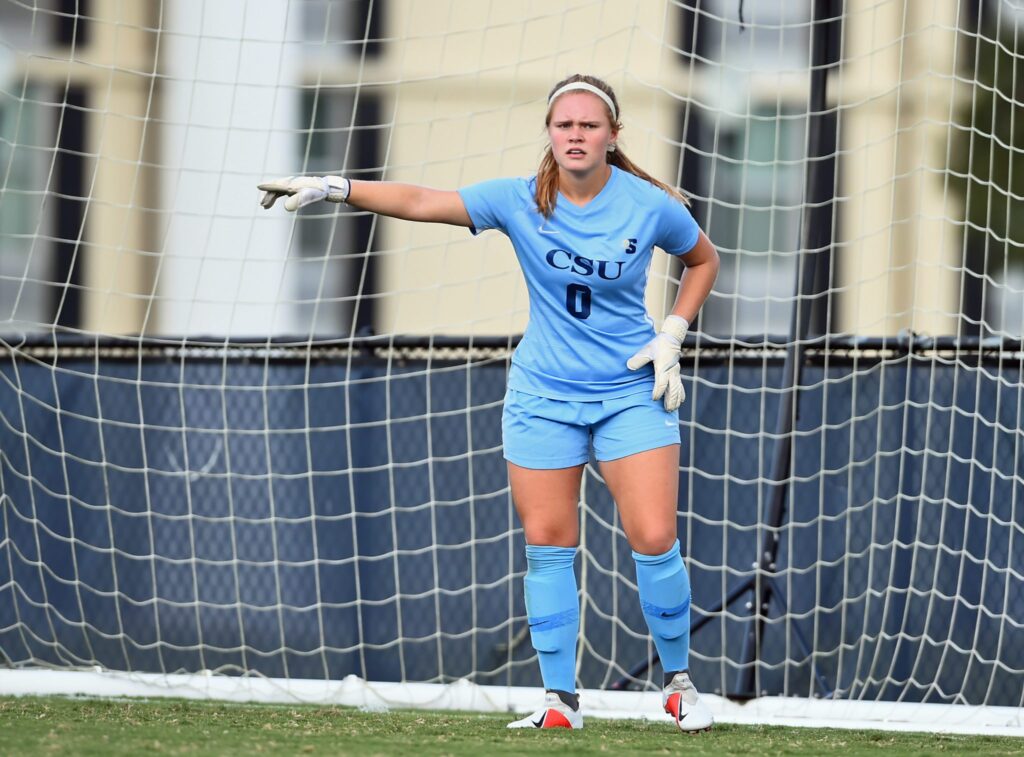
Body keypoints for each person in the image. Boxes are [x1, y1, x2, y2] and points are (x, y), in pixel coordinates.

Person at [258, 73, 719, 734]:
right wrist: (337, 186)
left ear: (613, 135)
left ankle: (678, 686)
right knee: (547, 544)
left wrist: (672, 333)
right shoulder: (519, 198)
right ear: (550, 134)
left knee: (653, 537)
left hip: (630, 391)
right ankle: (560, 701)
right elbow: (423, 200)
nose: (576, 135)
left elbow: (704, 260)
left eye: (589, 125)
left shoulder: (649, 205)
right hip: (542, 396)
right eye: (564, 125)